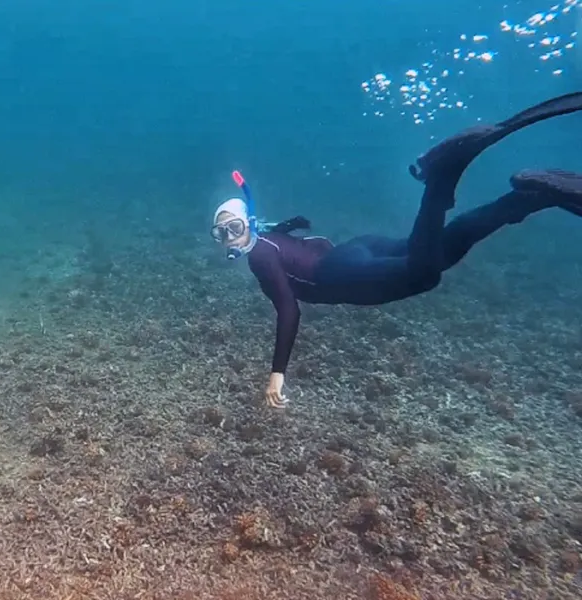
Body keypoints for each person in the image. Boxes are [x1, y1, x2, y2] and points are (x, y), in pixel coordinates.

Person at [211, 92, 582, 408]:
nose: (230, 238)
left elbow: (288, 309)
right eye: (221, 233)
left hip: (339, 275)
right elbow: (288, 229)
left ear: (249, 224)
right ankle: (530, 196)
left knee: (424, 274)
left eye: (234, 228)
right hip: (356, 251)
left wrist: (277, 374)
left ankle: (440, 177)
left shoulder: (259, 256)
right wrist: (293, 224)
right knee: (441, 250)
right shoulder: (268, 232)